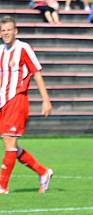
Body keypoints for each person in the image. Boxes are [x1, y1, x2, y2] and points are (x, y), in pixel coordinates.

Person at [0, 16, 54, 195]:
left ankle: (2, 186)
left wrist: (45, 100)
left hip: (17, 100)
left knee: (9, 143)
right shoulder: (0, 51)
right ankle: (43, 172)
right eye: (3, 30)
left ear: (16, 31)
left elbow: (36, 74)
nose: (6, 33)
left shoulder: (23, 48)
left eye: (9, 29)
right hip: (3, 102)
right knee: (11, 145)